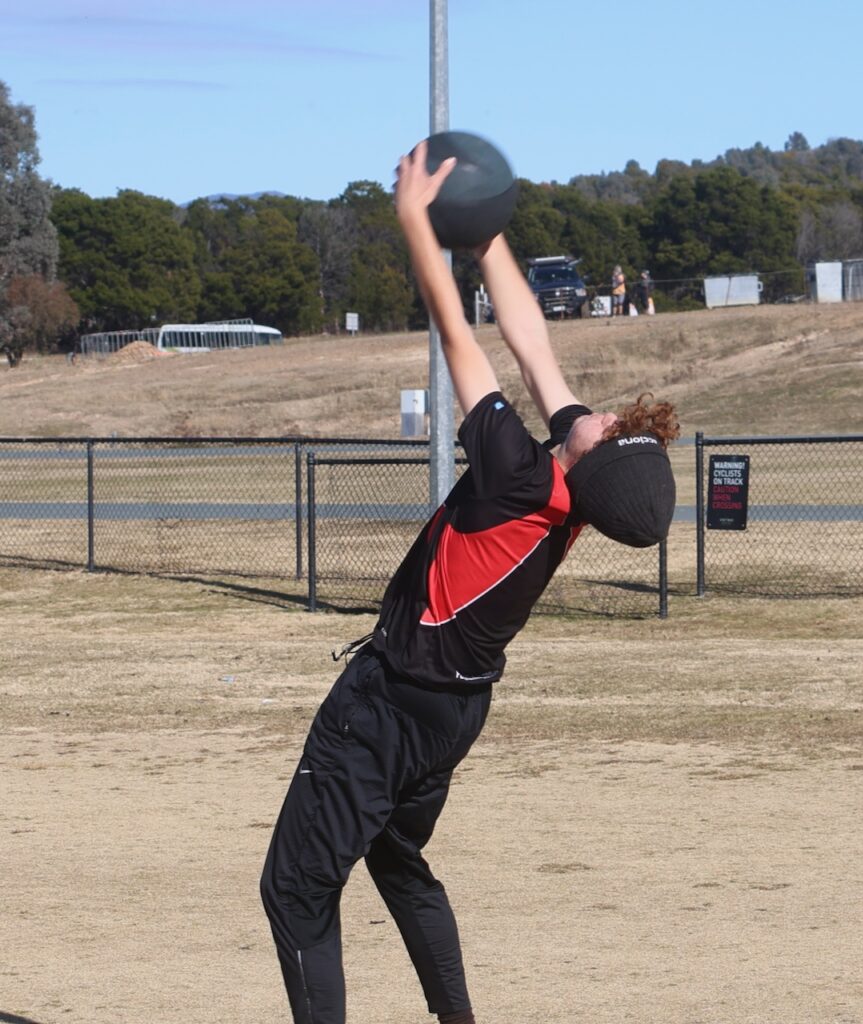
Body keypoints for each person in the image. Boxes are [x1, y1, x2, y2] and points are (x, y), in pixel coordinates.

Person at [260, 140, 680, 1024]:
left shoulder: (515, 480)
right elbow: (532, 345)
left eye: (605, 428)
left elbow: (463, 340)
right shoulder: (567, 491)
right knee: (398, 862)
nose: (598, 413)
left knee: (295, 892)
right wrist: (488, 242)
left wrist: (418, 225)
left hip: (387, 706)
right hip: (452, 713)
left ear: (588, 460)